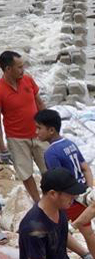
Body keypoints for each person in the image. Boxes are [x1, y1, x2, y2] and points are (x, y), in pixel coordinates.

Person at [35, 108, 95, 259]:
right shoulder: (70, 144)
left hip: (67, 197)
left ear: (51, 130)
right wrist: (87, 190)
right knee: (88, 231)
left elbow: (57, 180)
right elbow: (85, 168)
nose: (36, 132)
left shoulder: (51, 153)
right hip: (80, 193)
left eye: (39, 128)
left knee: (57, 232)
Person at [0, 50, 46, 202]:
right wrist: (2, 148)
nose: (23, 70)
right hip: (17, 139)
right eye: (19, 67)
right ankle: (37, 202)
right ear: (8, 69)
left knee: (49, 168)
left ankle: (50, 198)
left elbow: (39, 102)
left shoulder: (28, 80)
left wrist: (49, 125)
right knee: (25, 173)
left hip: (39, 134)